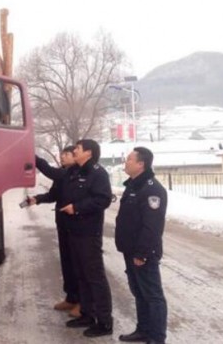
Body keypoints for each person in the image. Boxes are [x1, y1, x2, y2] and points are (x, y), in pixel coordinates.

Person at [60, 139, 114, 338]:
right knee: (81, 274)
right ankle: (87, 314)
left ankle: (104, 321)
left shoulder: (97, 173)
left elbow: (103, 199)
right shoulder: (76, 172)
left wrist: (77, 208)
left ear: (89, 153)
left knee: (95, 276)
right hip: (73, 231)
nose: (74, 150)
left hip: (88, 233)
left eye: (78, 148)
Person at [115, 147, 168, 344]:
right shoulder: (134, 186)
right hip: (131, 249)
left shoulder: (152, 188)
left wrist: (142, 253)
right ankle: (144, 330)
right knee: (139, 292)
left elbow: (152, 226)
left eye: (129, 159)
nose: (125, 162)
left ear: (140, 164)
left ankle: (156, 337)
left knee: (153, 295)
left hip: (143, 252)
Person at [28, 146, 81, 318]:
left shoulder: (74, 173)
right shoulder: (63, 174)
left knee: (77, 264)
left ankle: (82, 302)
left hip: (77, 225)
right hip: (63, 223)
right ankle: (71, 297)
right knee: (66, 262)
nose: (63, 157)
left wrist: (31, 155)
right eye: (62, 154)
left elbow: (49, 171)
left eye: (67, 154)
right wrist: (37, 199)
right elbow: (54, 195)